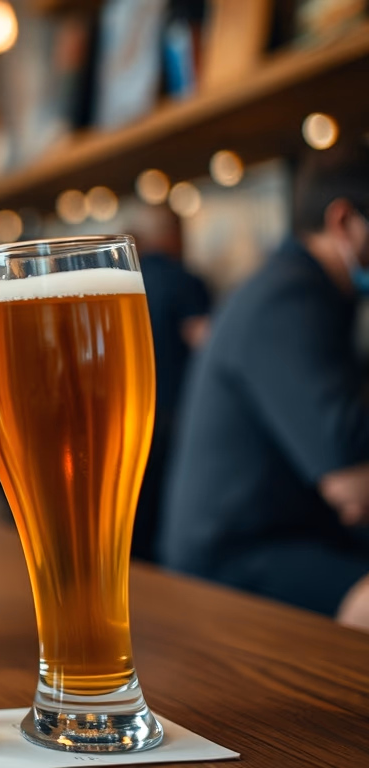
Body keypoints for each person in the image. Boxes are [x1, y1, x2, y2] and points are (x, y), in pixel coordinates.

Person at [161, 141, 369, 632]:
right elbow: (350, 480)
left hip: (290, 536)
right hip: (229, 564)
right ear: (343, 222)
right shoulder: (289, 298)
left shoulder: (311, 290)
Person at [130, 205, 211, 562]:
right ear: (171, 234)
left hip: (126, 418)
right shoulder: (183, 278)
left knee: (134, 512)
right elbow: (205, 342)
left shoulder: (121, 277)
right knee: (167, 505)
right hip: (175, 418)